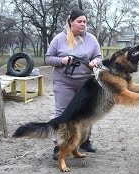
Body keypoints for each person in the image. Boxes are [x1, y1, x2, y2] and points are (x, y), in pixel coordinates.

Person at [45, 9, 102, 160]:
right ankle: (59, 145)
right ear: (71, 22)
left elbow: (98, 56)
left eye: (84, 21)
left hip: (86, 82)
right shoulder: (59, 38)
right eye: (79, 21)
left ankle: (84, 141)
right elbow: (48, 58)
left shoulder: (91, 39)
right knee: (63, 112)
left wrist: (95, 62)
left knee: (86, 113)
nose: (83, 24)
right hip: (64, 81)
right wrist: (61, 61)